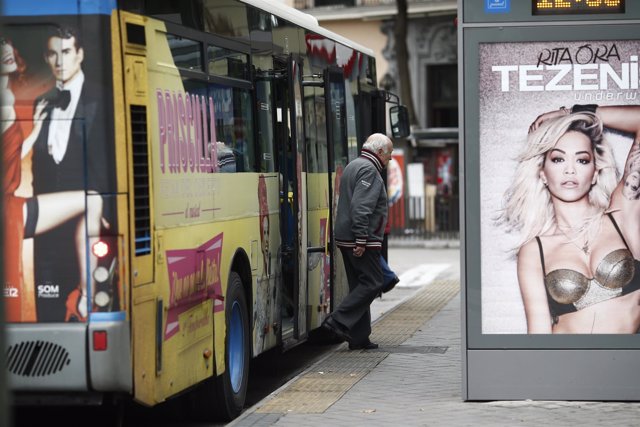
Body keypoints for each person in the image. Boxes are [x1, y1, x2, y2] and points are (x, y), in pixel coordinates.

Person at [499, 104, 640, 334]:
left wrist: (572, 113)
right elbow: (539, 336)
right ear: (543, 174)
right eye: (558, 159)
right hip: (571, 366)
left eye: (582, 160)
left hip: (631, 365)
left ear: (595, 173)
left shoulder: (622, 217)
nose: (570, 170)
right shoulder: (535, 250)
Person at [31, 25, 112, 322]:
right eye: (53, 53)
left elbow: (113, 160)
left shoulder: (104, 99)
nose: (60, 61)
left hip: (88, 227)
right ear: (46, 57)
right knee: (46, 308)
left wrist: (109, 212)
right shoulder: (41, 103)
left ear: (80, 53)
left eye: (66, 52)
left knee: (93, 309)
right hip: (48, 232)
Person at [322, 133, 394, 349]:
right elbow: (361, 208)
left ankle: (359, 338)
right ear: (379, 152)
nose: (389, 159)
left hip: (347, 237)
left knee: (359, 285)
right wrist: (362, 239)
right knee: (373, 282)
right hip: (361, 239)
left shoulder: (353, 165)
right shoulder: (369, 170)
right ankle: (338, 320)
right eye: (389, 154)